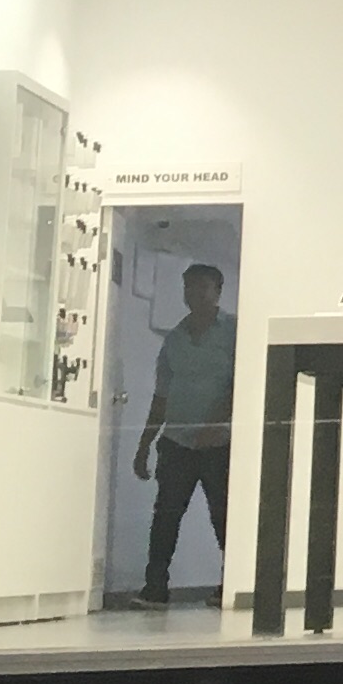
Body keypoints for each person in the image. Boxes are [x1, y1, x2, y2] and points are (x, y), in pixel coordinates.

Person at [127, 260, 235, 609]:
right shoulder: (174, 339)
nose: (195, 293)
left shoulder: (234, 332)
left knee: (224, 516)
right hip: (176, 443)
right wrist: (144, 445)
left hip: (220, 444)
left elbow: (240, 385)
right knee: (165, 517)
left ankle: (231, 585)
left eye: (203, 286)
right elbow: (161, 397)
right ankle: (155, 589)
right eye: (189, 286)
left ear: (218, 291)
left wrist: (215, 425)